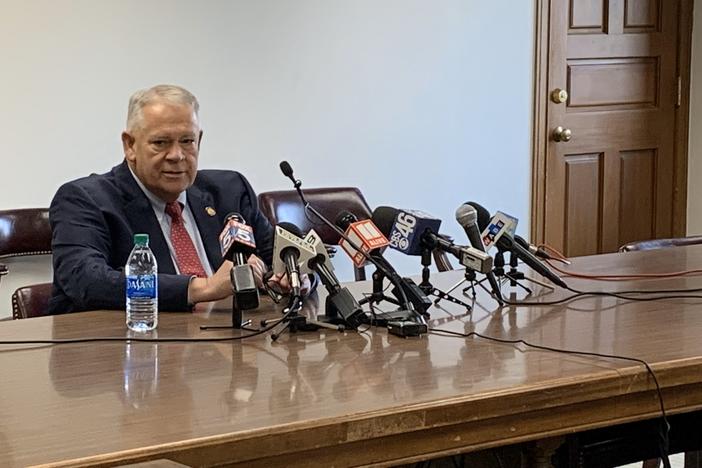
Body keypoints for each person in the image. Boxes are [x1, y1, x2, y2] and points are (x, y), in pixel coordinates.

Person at [49, 84, 305, 314]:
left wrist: (295, 278)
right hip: (132, 351)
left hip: (228, 347)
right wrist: (201, 289)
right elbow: (87, 280)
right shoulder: (85, 199)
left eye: (187, 141)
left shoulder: (229, 190)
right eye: (160, 143)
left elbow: (279, 257)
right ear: (130, 145)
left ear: (199, 141)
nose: (177, 155)